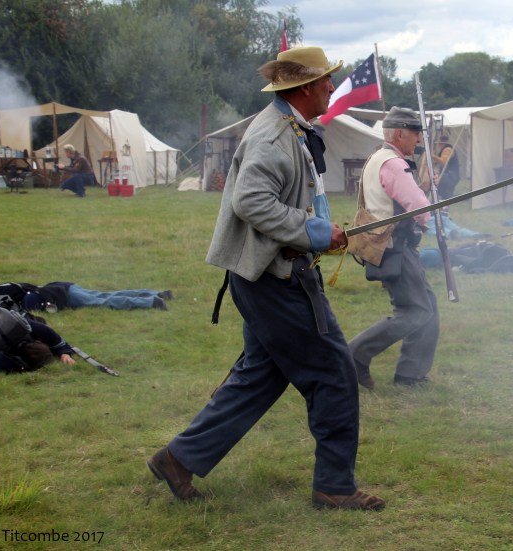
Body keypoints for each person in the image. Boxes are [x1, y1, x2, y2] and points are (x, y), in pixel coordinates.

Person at [146, 46, 385, 511]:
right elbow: (251, 201)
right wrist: (316, 232)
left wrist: (321, 232)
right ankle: (334, 486)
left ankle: (178, 459)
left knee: (260, 377)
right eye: (325, 80)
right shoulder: (274, 136)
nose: (331, 87)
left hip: (273, 275)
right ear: (304, 88)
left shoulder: (290, 128)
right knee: (334, 372)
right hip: (275, 280)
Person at [348, 107, 440, 390]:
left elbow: (402, 198)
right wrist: (433, 221)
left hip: (388, 246)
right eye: (414, 133)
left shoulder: (379, 157)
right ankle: (354, 355)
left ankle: (411, 373)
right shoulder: (393, 164)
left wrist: (424, 188)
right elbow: (418, 207)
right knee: (416, 311)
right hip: (395, 248)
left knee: (426, 306)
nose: (417, 139)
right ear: (400, 133)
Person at [0, 279, 172, 313]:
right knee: (104, 295)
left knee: (103, 301)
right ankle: (155, 293)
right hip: (61, 288)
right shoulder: (5, 288)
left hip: (60, 294)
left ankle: (151, 302)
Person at [431, 134, 460, 199]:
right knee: (444, 194)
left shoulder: (447, 149)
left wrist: (432, 156)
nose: (438, 145)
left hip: (450, 176)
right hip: (450, 175)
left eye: (439, 144)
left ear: (440, 144)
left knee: (435, 183)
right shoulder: (445, 150)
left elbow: (443, 162)